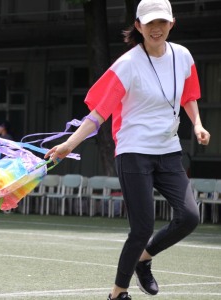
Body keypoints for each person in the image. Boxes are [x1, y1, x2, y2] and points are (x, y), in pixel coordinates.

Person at [45, 1, 210, 299]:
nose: (156, 29)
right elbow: (98, 114)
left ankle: (143, 260)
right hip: (134, 151)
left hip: (169, 150)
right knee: (142, 227)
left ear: (172, 22)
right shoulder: (127, 64)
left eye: (161, 22)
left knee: (189, 217)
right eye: (149, 23)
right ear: (138, 26)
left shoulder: (183, 56)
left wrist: (197, 124)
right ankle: (117, 293)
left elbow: (188, 96)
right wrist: (70, 143)